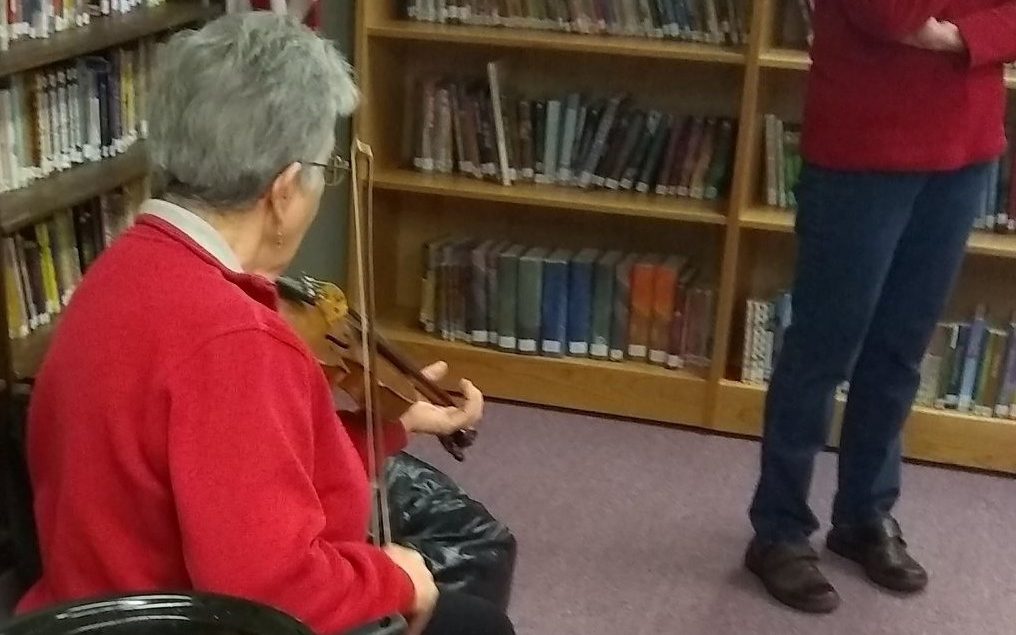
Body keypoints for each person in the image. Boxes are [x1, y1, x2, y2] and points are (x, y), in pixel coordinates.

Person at [15, 13, 513, 635]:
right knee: (478, 625)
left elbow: (223, 468)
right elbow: (272, 595)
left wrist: (392, 424)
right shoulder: (236, 339)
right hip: (177, 625)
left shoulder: (124, 268)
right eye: (323, 175)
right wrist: (398, 578)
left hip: (85, 610)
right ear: (282, 193)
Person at [745, 1, 1016, 614]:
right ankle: (779, 531)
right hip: (863, 150)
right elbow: (887, 14)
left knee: (900, 348)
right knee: (822, 349)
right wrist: (968, 26)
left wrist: (954, 37)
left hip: (964, 150)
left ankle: (865, 515)